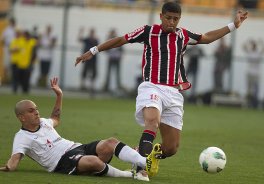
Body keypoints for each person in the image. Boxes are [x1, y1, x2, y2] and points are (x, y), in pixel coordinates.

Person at [75, 1, 248, 175]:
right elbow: (121, 40)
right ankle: (141, 170)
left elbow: (207, 38)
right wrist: (94, 50)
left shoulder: (183, 35)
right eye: (168, 18)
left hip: (173, 93)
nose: (172, 22)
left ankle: (142, 153)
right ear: (161, 17)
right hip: (152, 87)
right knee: (152, 122)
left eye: (176, 19)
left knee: (171, 148)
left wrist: (234, 25)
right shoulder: (148, 32)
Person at [0, 77, 160, 182]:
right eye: (30, 110)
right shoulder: (21, 137)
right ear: (21, 117)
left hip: (77, 148)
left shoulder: (43, 122)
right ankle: (129, 175)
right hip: (62, 162)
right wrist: (6, 167)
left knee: (110, 142)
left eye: (35, 109)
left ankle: (145, 163)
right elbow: (13, 162)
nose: (36, 112)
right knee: (94, 161)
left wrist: (59, 96)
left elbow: (55, 119)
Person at [242, 39, 264, 108]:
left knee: (256, 89)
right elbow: (243, 47)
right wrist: (248, 41)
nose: (254, 46)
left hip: (256, 74)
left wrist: (261, 43)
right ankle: (248, 104)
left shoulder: (258, 53)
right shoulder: (250, 53)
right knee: (249, 90)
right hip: (249, 73)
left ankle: (255, 104)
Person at [77, 27, 99, 92]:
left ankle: (92, 86)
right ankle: (83, 85)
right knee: (85, 71)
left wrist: (92, 55)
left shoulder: (96, 40)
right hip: (86, 59)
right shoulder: (87, 39)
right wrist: (81, 32)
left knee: (93, 72)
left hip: (93, 59)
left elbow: (98, 48)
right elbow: (79, 39)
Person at [103, 28, 124, 93]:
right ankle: (106, 87)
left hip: (117, 59)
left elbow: (122, 49)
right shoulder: (109, 40)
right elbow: (105, 48)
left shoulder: (118, 40)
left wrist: (120, 56)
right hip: (111, 58)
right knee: (108, 73)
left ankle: (118, 86)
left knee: (117, 73)